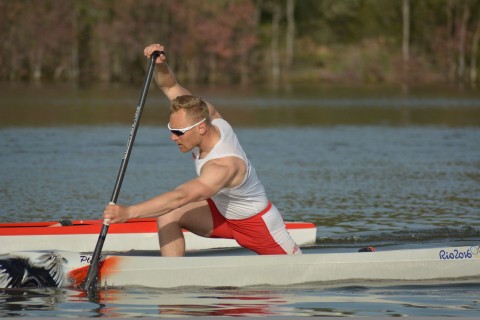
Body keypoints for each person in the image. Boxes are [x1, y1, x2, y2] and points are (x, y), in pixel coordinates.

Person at [103, 43, 301, 256]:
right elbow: (170, 86)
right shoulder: (210, 116)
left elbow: (182, 196)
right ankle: (172, 277)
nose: (172, 137)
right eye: (171, 129)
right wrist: (160, 65)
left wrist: (129, 212)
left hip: (258, 227)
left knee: (296, 270)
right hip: (223, 215)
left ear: (201, 128)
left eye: (178, 132)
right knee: (169, 214)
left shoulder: (224, 165)